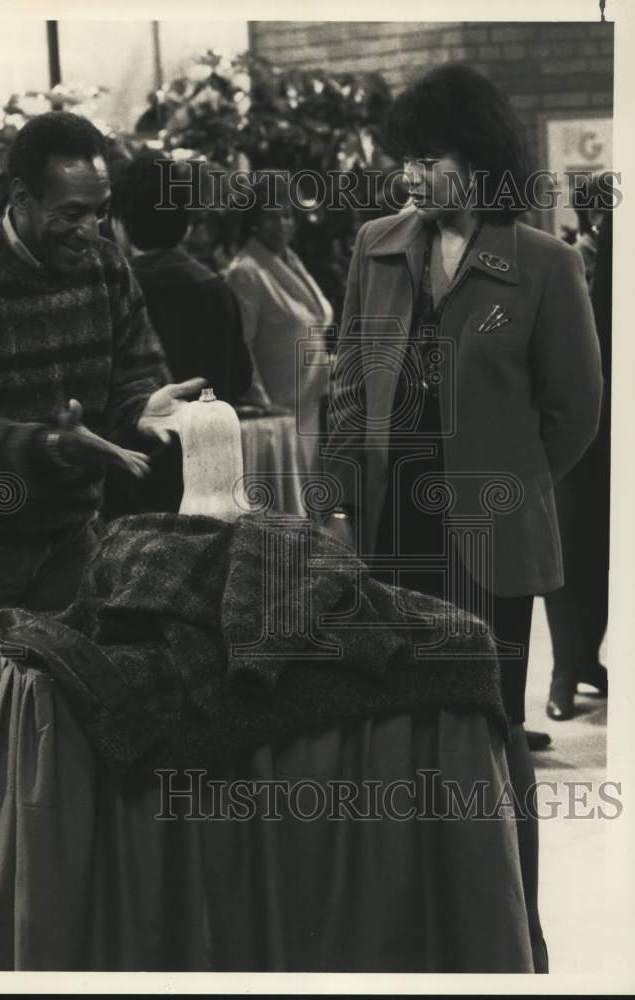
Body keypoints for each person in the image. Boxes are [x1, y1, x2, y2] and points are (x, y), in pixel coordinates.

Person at [0, 111, 205, 970]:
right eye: (72, 212)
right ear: (23, 200)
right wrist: (45, 442)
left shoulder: (107, 264)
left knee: (63, 741)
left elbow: (132, 367)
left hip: (66, 537)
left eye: (100, 210)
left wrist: (142, 406)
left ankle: (45, 945)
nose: (92, 229)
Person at [323, 65, 602, 974]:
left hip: (485, 544)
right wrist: (333, 499)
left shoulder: (542, 262)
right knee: (397, 732)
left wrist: (509, 487)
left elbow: (576, 409)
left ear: (479, 161)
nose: (408, 174)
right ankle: (413, 932)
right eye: (401, 156)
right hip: (388, 532)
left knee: (485, 739)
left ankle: (510, 931)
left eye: (427, 157)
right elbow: (342, 382)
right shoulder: (376, 245)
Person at [106, 155, 252, 515]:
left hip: (133, 481)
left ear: (119, 221)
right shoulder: (216, 288)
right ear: (186, 222)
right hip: (210, 482)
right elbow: (240, 377)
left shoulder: (114, 290)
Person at [544, 186, 612, 720]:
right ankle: (564, 670)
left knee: (605, 554)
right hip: (578, 429)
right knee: (569, 555)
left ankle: (586, 660)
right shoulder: (574, 259)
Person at [226, 173, 334, 471]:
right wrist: (260, 401)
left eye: (287, 215)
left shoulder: (291, 259)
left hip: (308, 397)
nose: (282, 224)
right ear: (254, 221)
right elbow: (241, 344)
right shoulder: (245, 271)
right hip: (277, 404)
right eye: (271, 217)